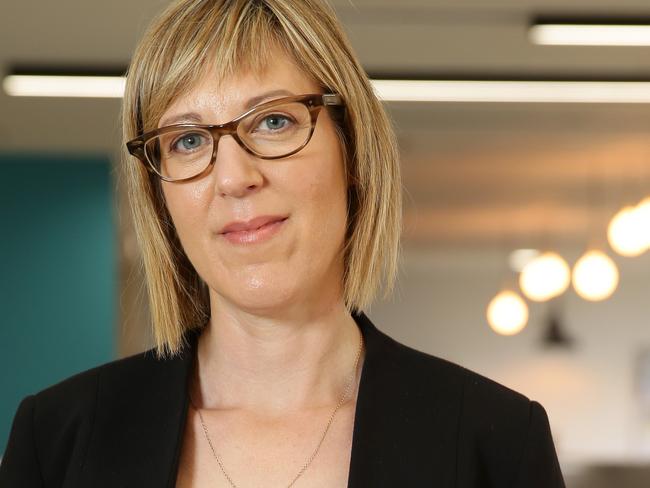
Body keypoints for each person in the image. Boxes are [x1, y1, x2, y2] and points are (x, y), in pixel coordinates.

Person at [0, 0, 566, 486]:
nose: (233, 177)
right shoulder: (56, 441)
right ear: (160, 195)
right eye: (188, 140)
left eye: (273, 122)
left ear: (351, 150)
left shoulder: (494, 445)